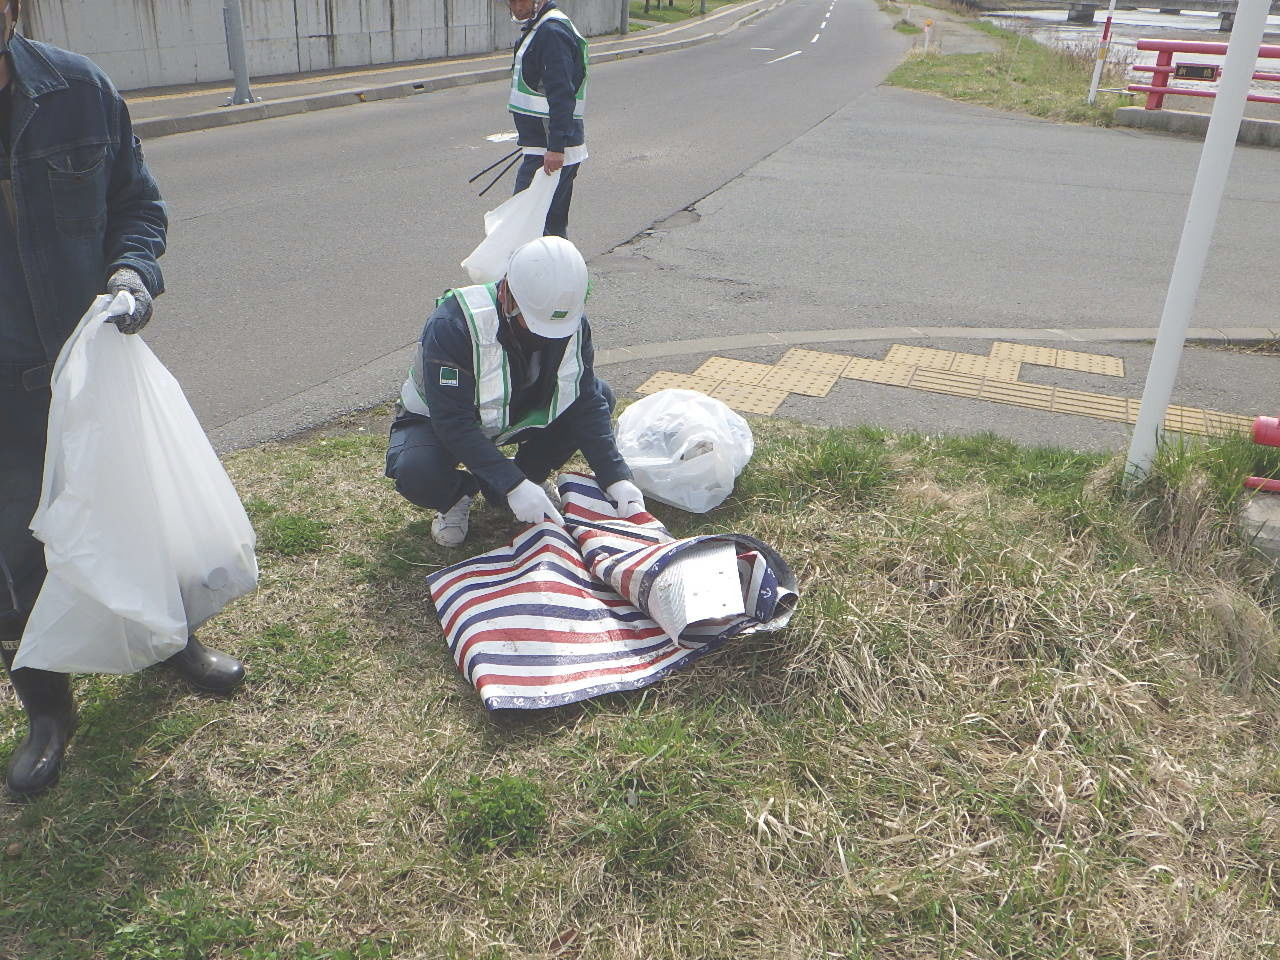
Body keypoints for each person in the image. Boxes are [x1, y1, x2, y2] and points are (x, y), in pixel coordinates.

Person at [0, 3, 245, 800]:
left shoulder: (79, 92)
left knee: (139, 514)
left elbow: (137, 204)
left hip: (92, 368)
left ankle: (173, 644)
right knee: (16, 559)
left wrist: (131, 275)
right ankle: (48, 710)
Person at [387, 236, 645, 546]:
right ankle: (456, 497)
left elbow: (585, 399)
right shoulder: (453, 325)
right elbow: (452, 422)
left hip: (514, 413)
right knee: (417, 472)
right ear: (507, 294)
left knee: (601, 395)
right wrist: (513, 485)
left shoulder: (567, 319)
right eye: (533, 323)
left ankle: (526, 477)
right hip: (440, 420)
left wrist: (615, 475)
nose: (545, 337)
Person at [505, 0, 588, 238]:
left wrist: (555, 147)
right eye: (510, 1)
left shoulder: (551, 32)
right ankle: (558, 262)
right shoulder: (541, 27)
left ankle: (527, 265)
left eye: (520, 0)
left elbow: (561, 92)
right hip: (546, 147)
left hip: (549, 152)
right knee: (549, 225)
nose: (515, 6)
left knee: (524, 225)